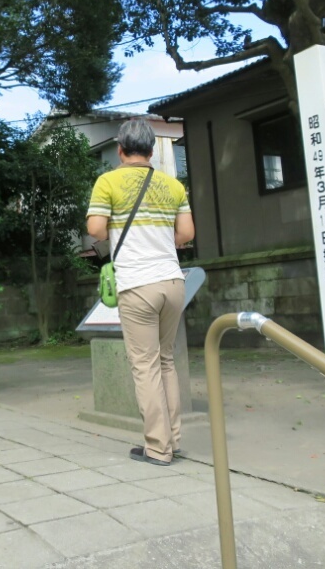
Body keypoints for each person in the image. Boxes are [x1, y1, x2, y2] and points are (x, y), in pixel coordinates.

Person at [86, 118, 195, 466]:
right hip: (174, 282)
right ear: (151, 151)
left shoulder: (108, 181)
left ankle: (158, 448)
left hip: (138, 285)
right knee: (166, 362)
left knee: (145, 366)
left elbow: (96, 230)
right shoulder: (172, 185)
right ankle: (172, 440)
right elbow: (186, 235)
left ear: (120, 150)